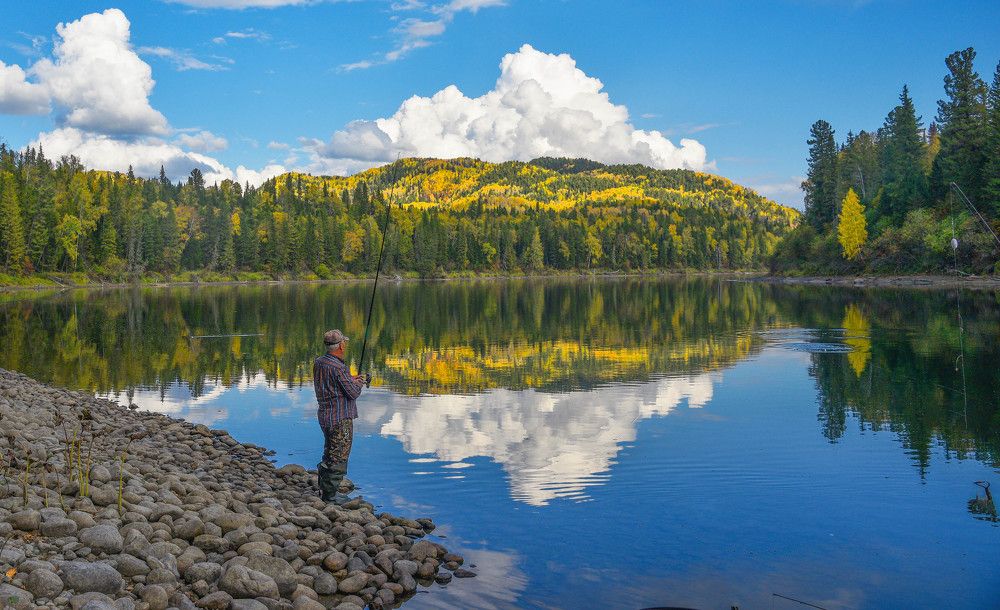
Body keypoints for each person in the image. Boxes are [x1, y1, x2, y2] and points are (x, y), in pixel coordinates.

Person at [313, 329, 366, 504]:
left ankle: (324, 489)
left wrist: (352, 379)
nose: (345, 345)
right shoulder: (339, 367)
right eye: (344, 342)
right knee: (339, 455)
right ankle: (331, 496)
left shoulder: (319, 362)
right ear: (341, 345)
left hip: (325, 416)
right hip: (340, 418)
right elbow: (352, 393)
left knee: (329, 452)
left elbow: (334, 383)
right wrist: (359, 382)